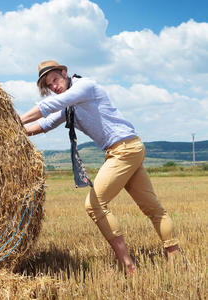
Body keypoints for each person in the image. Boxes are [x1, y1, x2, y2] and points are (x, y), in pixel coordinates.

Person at [20, 60, 181, 274]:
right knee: (152, 207)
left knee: (94, 205)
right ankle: (175, 256)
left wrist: (15, 120)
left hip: (124, 149)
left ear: (65, 73)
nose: (54, 87)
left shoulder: (84, 86)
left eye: (55, 80)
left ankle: (127, 264)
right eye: (49, 86)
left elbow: (48, 107)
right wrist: (15, 131)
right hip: (126, 149)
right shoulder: (70, 106)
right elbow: (45, 123)